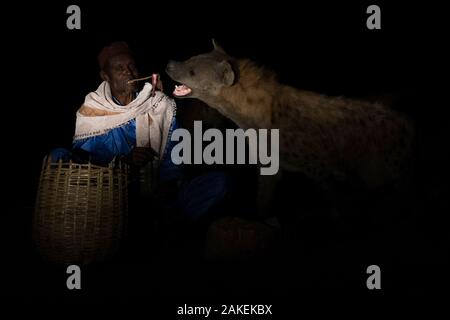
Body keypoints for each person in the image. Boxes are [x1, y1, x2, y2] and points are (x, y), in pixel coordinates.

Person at [50, 41, 230, 227]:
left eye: (131, 66)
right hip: (109, 196)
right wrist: (125, 162)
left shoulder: (159, 105)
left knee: (219, 182)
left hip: (155, 191)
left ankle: (165, 220)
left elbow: (174, 159)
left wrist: (165, 185)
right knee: (59, 156)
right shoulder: (93, 111)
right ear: (106, 76)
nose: (128, 72)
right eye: (119, 68)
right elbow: (87, 168)